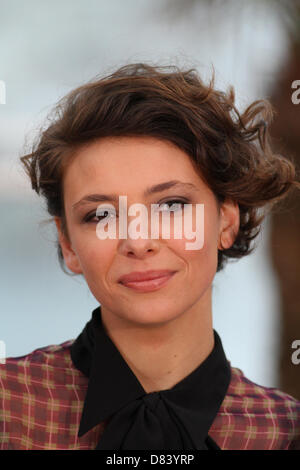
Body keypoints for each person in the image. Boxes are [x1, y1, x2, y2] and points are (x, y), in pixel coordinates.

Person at [1, 63, 299, 450]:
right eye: (101, 214)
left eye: (171, 205)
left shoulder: (285, 433)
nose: (138, 242)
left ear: (226, 221)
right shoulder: (9, 410)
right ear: (69, 243)